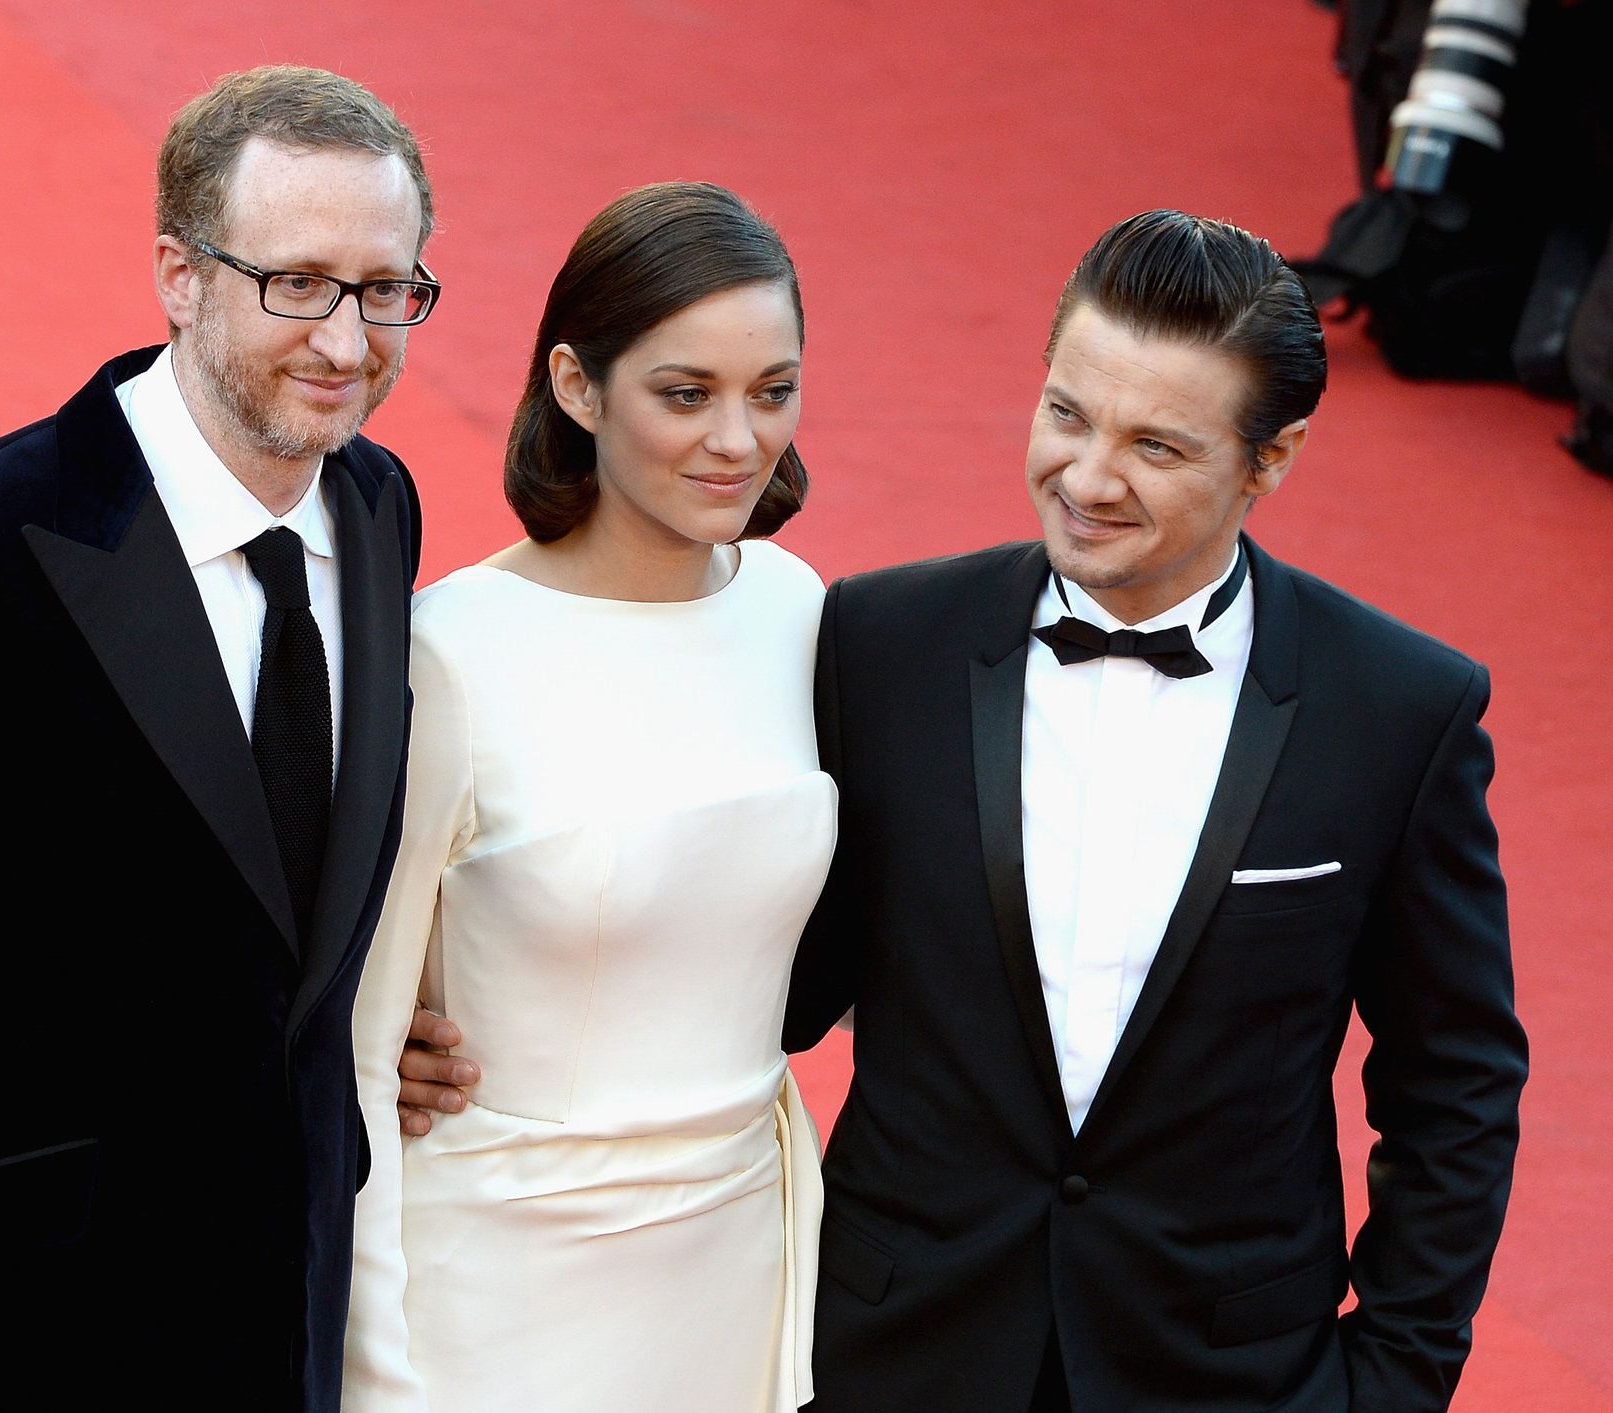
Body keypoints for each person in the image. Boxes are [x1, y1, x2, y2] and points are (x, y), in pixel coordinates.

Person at [403, 211, 1529, 1412]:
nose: (1088, 479)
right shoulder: (883, 645)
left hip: (1226, 1375)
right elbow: (762, 945)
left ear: (1274, 456)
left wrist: (1393, 1380)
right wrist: (436, 1020)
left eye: (1155, 446)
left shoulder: (1397, 710)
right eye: (1068, 416)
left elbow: (1456, 1084)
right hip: (900, 1356)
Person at [0, 66, 432, 1413]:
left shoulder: (380, 511)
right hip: (12, 1338)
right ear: (180, 275)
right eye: (296, 284)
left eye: (384, 288)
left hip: (285, 1331)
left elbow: (278, 917)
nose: (346, 342)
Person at [344, 182, 832, 1413]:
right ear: (576, 385)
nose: (739, 441)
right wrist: (376, 1380)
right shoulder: (451, 654)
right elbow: (358, 1055)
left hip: (739, 1268)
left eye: (772, 390)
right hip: (499, 1301)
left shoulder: (798, 611)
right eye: (686, 394)